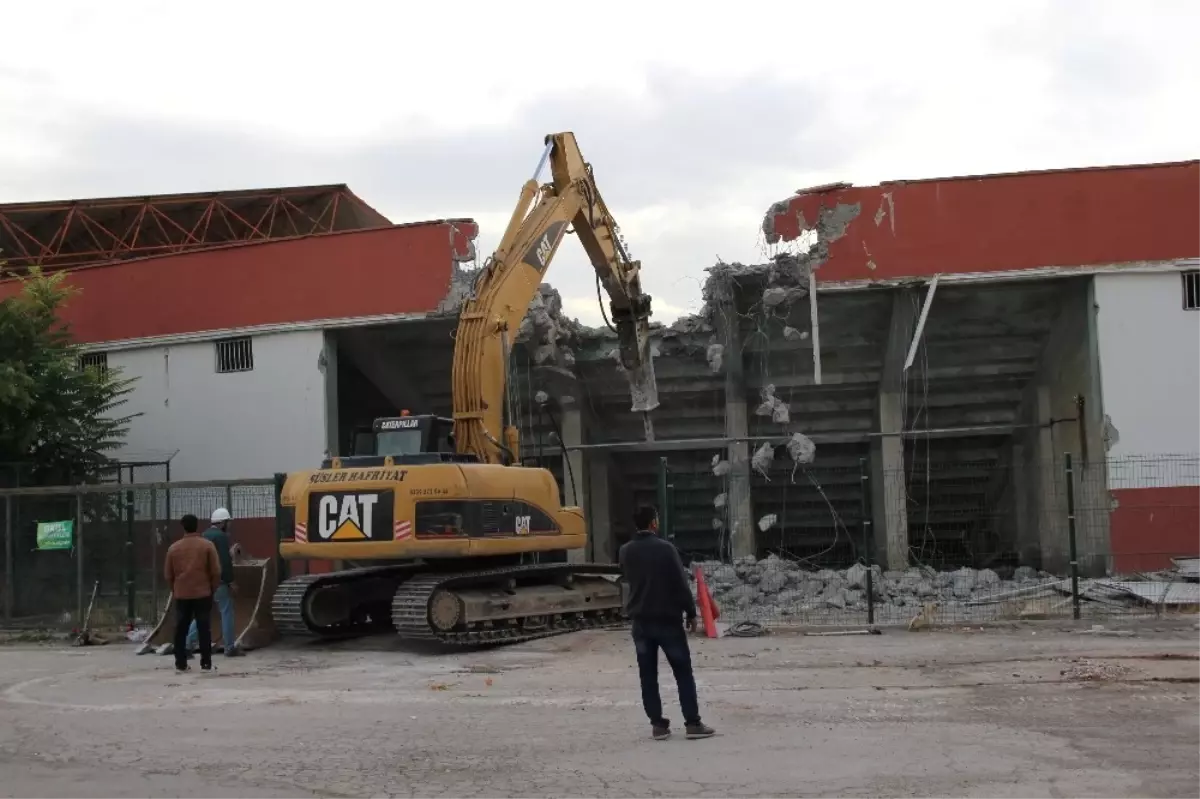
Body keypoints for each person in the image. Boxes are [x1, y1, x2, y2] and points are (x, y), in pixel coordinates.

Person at [618, 504, 716, 741]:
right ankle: (692, 723)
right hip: (668, 621)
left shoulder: (625, 551)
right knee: (682, 671)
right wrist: (691, 613)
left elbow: (627, 578)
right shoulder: (666, 550)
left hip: (640, 622)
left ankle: (658, 725)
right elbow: (680, 584)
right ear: (653, 523)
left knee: (648, 675)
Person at [163, 514, 220, 672]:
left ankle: (180, 662)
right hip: (203, 592)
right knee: (204, 627)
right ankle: (206, 662)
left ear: (183, 527)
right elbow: (216, 571)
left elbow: (168, 574)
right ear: (197, 526)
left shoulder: (173, 548)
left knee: (181, 628)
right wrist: (211, 588)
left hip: (182, 594)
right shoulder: (207, 546)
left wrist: (175, 589)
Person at [184, 507, 243, 657]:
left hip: (203, 582)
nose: (229, 525)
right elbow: (223, 561)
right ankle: (230, 647)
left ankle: (186, 645)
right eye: (228, 522)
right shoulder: (220, 537)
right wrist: (230, 581)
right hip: (219, 582)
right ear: (222, 522)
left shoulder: (204, 536)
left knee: (202, 614)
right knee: (226, 611)